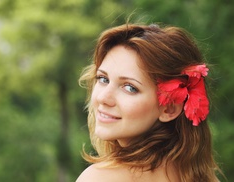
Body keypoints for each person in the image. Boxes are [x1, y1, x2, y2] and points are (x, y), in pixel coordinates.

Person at [77, 23, 222, 182]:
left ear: (169, 109)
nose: (103, 98)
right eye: (103, 79)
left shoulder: (100, 178)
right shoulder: (204, 177)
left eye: (130, 88)